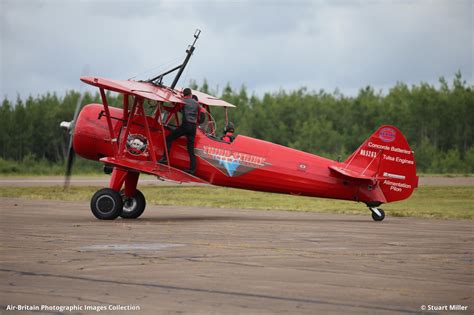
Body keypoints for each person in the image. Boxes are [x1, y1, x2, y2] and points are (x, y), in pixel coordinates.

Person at [159, 88, 199, 175]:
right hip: (193, 127)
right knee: (191, 150)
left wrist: (163, 107)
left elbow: (174, 110)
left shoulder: (183, 101)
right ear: (191, 94)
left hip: (186, 125)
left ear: (184, 95)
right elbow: (198, 116)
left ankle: (165, 158)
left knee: (168, 138)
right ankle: (192, 170)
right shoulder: (196, 104)